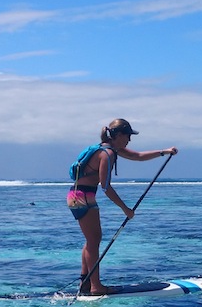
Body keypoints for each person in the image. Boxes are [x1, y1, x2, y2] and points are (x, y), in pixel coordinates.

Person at [68, 118, 178, 295]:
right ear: (118, 135)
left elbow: (138, 156)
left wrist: (164, 152)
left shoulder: (106, 149)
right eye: (128, 136)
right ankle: (96, 287)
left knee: (91, 241)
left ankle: (85, 283)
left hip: (76, 195)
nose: (129, 140)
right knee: (94, 241)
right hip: (84, 197)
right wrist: (125, 209)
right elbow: (105, 186)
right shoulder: (107, 154)